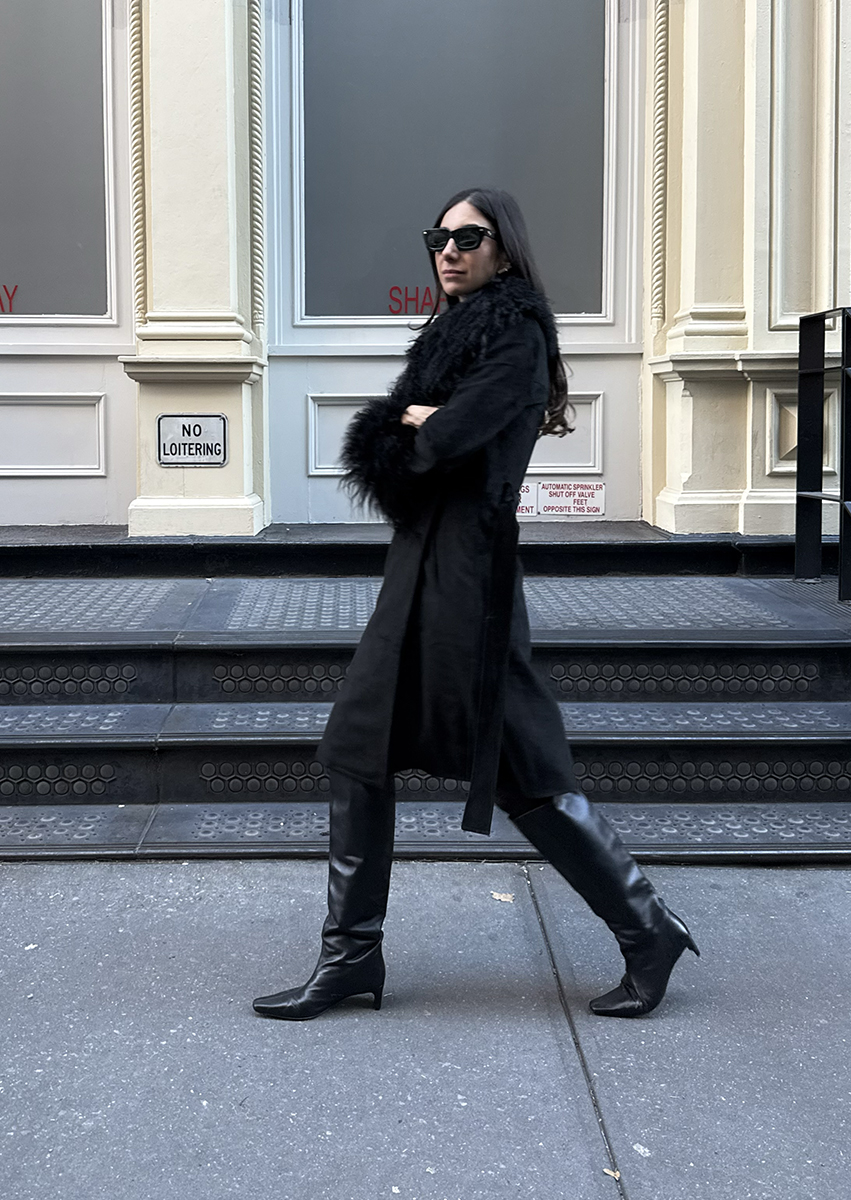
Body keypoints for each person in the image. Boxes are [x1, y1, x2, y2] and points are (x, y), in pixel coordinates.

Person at [253, 188, 698, 1022]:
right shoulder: (447, 337)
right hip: (418, 562)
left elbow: (445, 442)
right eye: (439, 237)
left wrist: (418, 423)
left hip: (470, 574)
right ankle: (349, 958)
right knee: (357, 750)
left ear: (504, 248)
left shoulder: (516, 335)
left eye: (469, 237)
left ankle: (647, 929)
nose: (449, 251)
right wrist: (414, 421)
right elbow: (410, 438)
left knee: (523, 766)